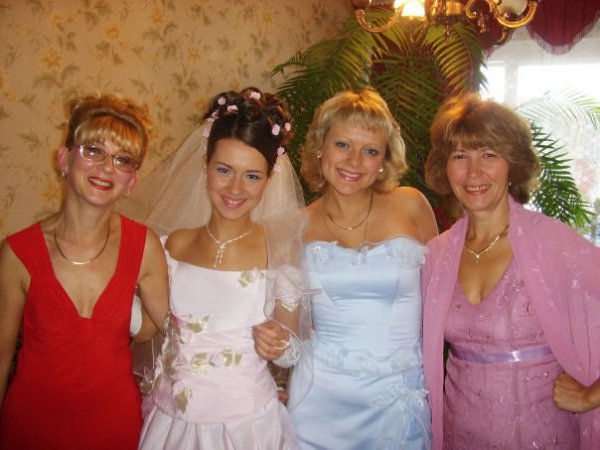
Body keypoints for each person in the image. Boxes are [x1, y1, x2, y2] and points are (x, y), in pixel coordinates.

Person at [254, 88, 438, 449]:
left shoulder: (412, 206)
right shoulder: (293, 227)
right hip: (319, 402)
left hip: (398, 400)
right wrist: (276, 342)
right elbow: (289, 335)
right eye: (342, 145)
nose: (354, 161)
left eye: (370, 151)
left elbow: (445, 300)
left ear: (384, 159)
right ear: (320, 147)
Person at [123, 87, 306, 449]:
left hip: (247, 426)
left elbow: (291, 351)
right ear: (205, 166)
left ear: (269, 178)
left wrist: (281, 344)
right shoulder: (172, 246)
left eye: (252, 176)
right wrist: (109, 284)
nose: (235, 188)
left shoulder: (278, 255)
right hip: (172, 422)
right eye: (224, 170)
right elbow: (146, 329)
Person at [421, 93, 600, 449]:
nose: (473, 171)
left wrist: (590, 395)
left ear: (512, 164)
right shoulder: (436, 254)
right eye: (460, 156)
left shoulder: (552, 242)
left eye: (489, 154)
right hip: (460, 433)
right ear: (446, 167)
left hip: (541, 434)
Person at [0, 94, 170, 449]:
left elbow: (161, 330)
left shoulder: (145, 247)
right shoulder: (17, 253)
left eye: (123, 160)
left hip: (114, 427)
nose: (107, 167)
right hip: (30, 427)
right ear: (64, 159)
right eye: (93, 150)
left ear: (132, 181)